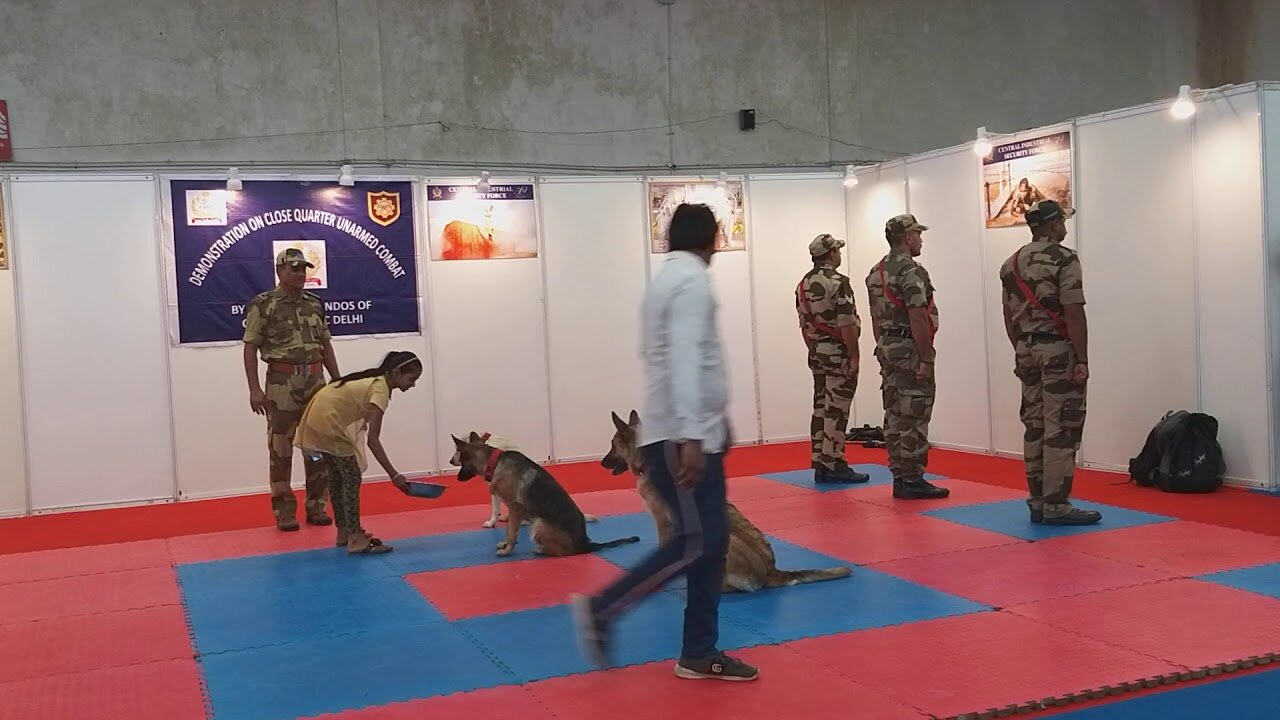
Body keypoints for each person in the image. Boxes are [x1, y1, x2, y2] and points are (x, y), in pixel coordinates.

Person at [572, 203, 758, 682]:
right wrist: (693, 436)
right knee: (698, 542)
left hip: (684, 431)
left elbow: (687, 360)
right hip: (679, 439)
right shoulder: (691, 281)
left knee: (710, 545)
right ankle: (606, 608)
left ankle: (699, 651)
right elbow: (683, 358)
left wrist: (712, 424)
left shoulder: (664, 282)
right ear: (710, 238)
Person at [998, 200, 1100, 525]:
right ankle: (1056, 504)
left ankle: (1038, 501)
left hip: (1026, 349)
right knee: (1062, 426)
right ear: (1053, 224)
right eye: (1063, 222)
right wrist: (1081, 358)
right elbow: (1074, 312)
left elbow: (1008, 316)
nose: (1065, 227)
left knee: (1035, 425)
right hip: (1057, 351)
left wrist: (1021, 347)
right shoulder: (1064, 258)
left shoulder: (1010, 264)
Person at [243, 247, 341, 531]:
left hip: (315, 382)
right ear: (280, 271)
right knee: (281, 449)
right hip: (281, 385)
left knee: (317, 447)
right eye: (294, 268)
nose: (300, 274)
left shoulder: (313, 303)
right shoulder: (264, 304)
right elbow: (250, 348)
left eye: (304, 269)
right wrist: (254, 389)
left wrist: (337, 380)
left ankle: (317, 506)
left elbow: (325, 345)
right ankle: (284, 511)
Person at [294, 351, 424, 553]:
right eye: (411, 379)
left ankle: (344, 532)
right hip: (328, 421)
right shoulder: (380, 389)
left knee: (337, 478)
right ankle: (355, 538)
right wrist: (394, 475)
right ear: (397, 372)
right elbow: (373, 440)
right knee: (351, 477)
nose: (413, 384)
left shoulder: (374, 380)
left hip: (317, 417)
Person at [865, 214, 949, 500]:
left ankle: (900, 474)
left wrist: (882, 347)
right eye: (918, 234)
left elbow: (875, 317)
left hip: (888, 348)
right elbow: (917, 317)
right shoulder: (911, 271)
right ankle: (913, 477)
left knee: (895, 414)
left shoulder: (876, 272)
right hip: (910, 349)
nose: (921, 239)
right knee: (914, 414)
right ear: (907, 238)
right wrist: (926, 357)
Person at [796, 233, 869, 484]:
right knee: (837, 409)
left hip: (817, 354)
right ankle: (835, 461)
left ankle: (820, 462)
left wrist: (815, 349)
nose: (839, 253)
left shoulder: (803, 284)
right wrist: (854, 356)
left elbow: (804, 326)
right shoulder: (839, 282)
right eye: (837, 249)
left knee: (820, 407)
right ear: (830, 255)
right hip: (838, 354)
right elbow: (847, 323)